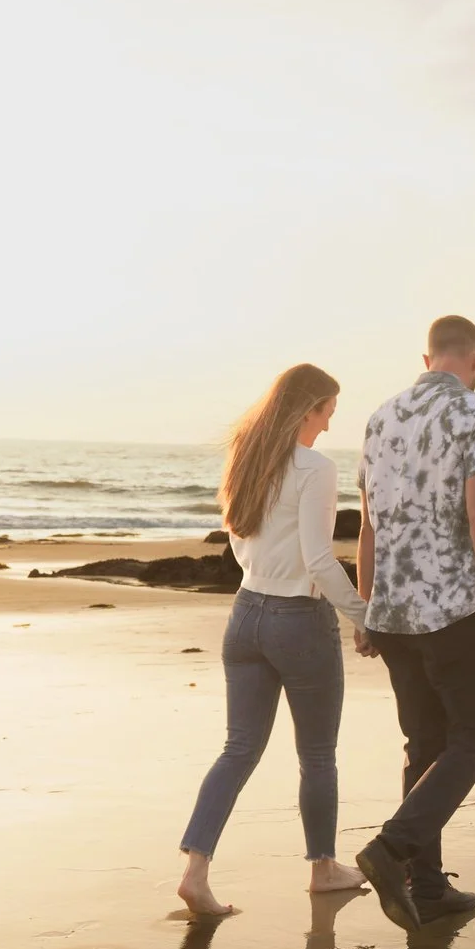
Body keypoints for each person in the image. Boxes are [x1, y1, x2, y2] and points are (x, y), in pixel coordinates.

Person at [175, 363, 369, 917]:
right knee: (317, 754)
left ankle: (195, 873)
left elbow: (239, 541)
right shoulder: (316, 468)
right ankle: (324, 868)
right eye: (328, 412)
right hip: (299, 621)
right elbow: (319, 560)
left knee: (238, 749)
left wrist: (266, 577)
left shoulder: (247, 459)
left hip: (245, 614)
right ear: (308, 409)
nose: (329, 426)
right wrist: (363, 614)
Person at [351, 315, 475, 931]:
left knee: (424, 744)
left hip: (392, 611)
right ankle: (393, 852)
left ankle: (426, 887)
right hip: (451, 609)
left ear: (427, 360)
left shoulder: (379, 417)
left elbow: (367, 526)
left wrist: (365, 607)